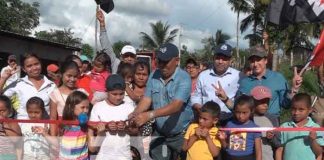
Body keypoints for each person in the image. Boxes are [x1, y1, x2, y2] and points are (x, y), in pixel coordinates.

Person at [130, 43, 193, 159]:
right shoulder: (153, 75)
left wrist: (150, 114)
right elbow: (147, 99)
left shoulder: (184, 78)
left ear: (177, 61)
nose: (162, 65)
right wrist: (135, 114)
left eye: (166, 61)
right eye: (160, 61)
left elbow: (176, 106)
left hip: (181, 135)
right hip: (160, 134)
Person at [238, 45, 303, 118]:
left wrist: (294, 89)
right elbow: (238, 106)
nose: (255, 64)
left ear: (265, 60)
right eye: (252, 61)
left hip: (272, 122)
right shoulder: (244, 82)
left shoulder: (278, 78)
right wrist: (225, 98)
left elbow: (286, 105)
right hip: (250, 124)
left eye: (258, 59)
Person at [88, 74, 135, 159]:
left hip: (124, 156)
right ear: (106, 91)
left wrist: (126, 127)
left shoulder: (129, 107)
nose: (118, 97)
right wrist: (104, 128)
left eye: (121, 94)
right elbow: (91, 129)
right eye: (114, 94)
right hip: (103, 156)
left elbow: (136, 130)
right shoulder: (98, 107)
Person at [191, 43, 240, 124]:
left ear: (231, 60)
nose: (220, 62)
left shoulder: (238, 76)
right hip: (206, 121)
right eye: (217, 58)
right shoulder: (203, 75)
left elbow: (241, 102)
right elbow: (196, 96)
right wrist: (199, 107)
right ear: (213, 58)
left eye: (224, 59)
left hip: (230, 121)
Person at [0, 54, 56, 119]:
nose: (34, 68)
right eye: (29, 66)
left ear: (41, 64)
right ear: (24, 69)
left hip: (44, 127)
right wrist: (3, 79)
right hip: (22, 126)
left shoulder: (51, 85)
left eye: (36, 64)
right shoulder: (19, 84)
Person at [275, 93, 324, 160]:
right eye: (293, 109)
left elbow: (319, 153)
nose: (296, 113)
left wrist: (313, 140)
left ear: (310, 110)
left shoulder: (316, 128)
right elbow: (279, 150)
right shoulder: (284, 127)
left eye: (301, 110)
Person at [218, 95, 262, 160]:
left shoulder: (254, 128)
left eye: (244, 112)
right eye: (238, 112)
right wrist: (222, 140)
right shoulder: (229, 125)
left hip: (247, 158)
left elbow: (258, 151)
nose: (240, 116)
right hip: (230, 157)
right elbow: (225, 147)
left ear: (251, 111)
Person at [97, 9, 137, 73]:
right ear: (121, 57)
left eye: (131, 56)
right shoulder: (116, 64)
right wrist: (102, 24)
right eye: (126, 56)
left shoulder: (138, 72)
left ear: (135, 58)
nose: (129, 59)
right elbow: (106, 47)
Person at [49, 61, 81, 136]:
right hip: (62, 132)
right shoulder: (55, 94)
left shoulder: (81, 92)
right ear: (61, 74)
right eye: (69, 76)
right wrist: (53, 138)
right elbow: (53, 118)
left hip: (79, 133)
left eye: (75, 76)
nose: (72, 79)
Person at [251, 86, 280, 160]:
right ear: (252, 101)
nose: (265, 104)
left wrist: (271, 138)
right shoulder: (246, 118)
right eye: (262, 101)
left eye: (267, 101)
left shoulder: (272, 119)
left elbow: (278, 143)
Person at [59, 91, 90, 160]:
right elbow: (59, 143)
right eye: (82, 107)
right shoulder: (64, 124)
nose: (85, 110)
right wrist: (44, 133)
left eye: (87, 108)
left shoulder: (86, 125)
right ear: (71, 107)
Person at [0, 95, 22, 160]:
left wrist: (4, 123)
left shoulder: (12, 122)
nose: (0, 113)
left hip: (8, 156)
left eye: (3, 110)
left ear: (9, 111)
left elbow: (16, 140)